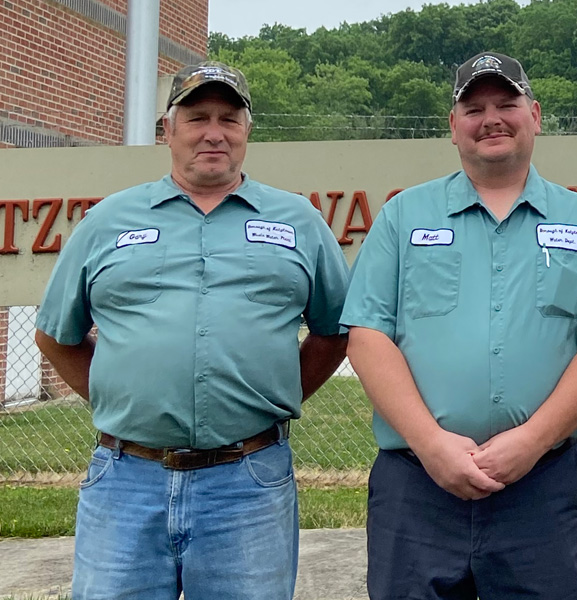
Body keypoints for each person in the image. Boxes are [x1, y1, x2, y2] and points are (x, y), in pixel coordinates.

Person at [341, 51, 577, 600]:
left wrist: (532, 440)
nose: (492, 119)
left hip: (541, 487)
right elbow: (368, 337)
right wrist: (432, 444)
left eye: (506, 104)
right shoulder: (401, 218)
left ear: (534, 115)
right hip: (418, 485)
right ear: (452, 127)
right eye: (474, 108)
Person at [33, 60, 351, 599]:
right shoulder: (108, 221)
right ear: (168, 130)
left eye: (229, 118)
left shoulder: (299, 222)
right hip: (126, 480)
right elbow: (55, 336)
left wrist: (275, 394)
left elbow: (334, 332)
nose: (213, 132)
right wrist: (124, 398)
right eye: (197, 116)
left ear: (248, 130)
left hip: (249, 480)